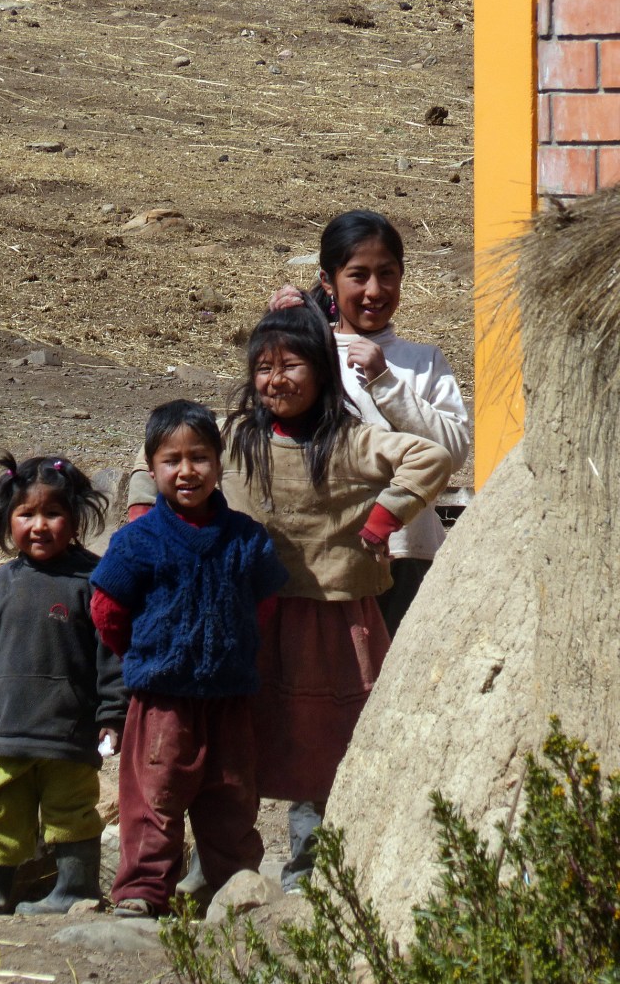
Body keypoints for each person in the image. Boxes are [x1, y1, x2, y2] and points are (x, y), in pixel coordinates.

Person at [127, 301, 452, 892]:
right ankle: (218, 869)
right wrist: (144, 515)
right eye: (264, 367)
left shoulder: (352, 440)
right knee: (234, 743)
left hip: (332, 619)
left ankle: (314, 866)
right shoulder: (239, 438)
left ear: (324, 371)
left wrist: (384, 517)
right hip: (246, 619)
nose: (276, 380)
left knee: (330, 743)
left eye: (292, 365)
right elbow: (160, 457)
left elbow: (432, 456)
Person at [90, 400, 289, 918]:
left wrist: (229, 647)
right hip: (163, 700)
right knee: (154, 799)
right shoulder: (137, 541)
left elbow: (263, 607)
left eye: (199, 457)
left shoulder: (247, 539)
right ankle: (141, 893)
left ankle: (235, 892)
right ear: (151, 469)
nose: (186, 471)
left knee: (232, 798)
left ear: (220, 464)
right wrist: (145, 655)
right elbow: (107, 610)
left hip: (230, 699)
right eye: (171, 460)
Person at [269, 208, 470, 637]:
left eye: (387, 274)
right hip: (322, 553)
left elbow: (451, 454)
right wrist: (281, 333)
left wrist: (386, 382)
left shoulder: (423, 362)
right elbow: (271, 430)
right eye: (358, 275)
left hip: (407, 552)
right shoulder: (307, 352)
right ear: (328, 280)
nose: (374, 290)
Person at [0, 454, 127, 917]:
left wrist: (112, 715)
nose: (40, 525)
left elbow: (112, 656)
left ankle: (75, 888)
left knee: (72, 810)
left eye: (53, 513)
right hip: (7, 731)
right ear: (8, 520)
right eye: (27, 514)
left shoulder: (93, 582)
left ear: (76, 518)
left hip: (69, 732)